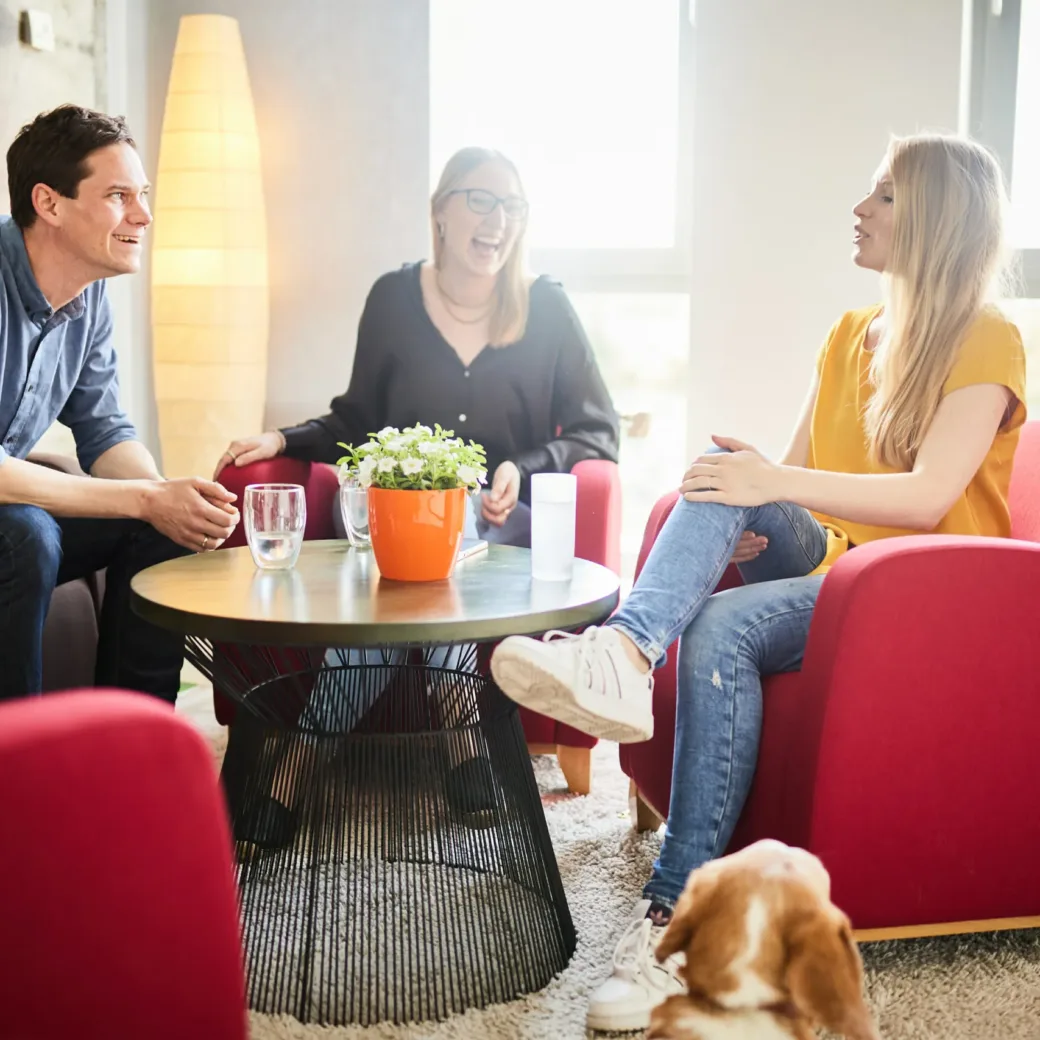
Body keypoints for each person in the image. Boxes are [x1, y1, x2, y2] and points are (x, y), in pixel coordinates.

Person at [490, 132, 1027, 1033]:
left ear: (936, 215)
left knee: (721, 626)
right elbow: (802, 475)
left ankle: (673, 921)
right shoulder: (852, 333)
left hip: (926, 602)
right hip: (836, 563)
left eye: (884, 196)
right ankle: (621, 652)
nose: (860, 210)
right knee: (719, 465)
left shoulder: (989, 335)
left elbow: (932, 498)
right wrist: (746, 507)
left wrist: (770, 487)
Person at [215, 145, 619, 545]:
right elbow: (356, 423)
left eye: (512, 206)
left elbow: (598, 431)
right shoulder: (392, 298)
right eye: (480, 200)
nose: (498, 219)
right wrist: (282, 440)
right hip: (392, 518)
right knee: (363, 515)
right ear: (440, 210)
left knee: (455, 527)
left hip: (502, 526)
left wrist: (521, 467)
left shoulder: (548, 307)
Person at [0, 104, 239, 703]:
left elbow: (104, 429)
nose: (144, 214)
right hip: (13, 522)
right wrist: (145, 497)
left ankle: (133, 749)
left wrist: (167, 499)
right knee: (26, 536)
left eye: (144, 194)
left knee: (161, 530)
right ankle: (20, 764)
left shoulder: (90, 291)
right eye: (118, 196)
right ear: (49, 203)